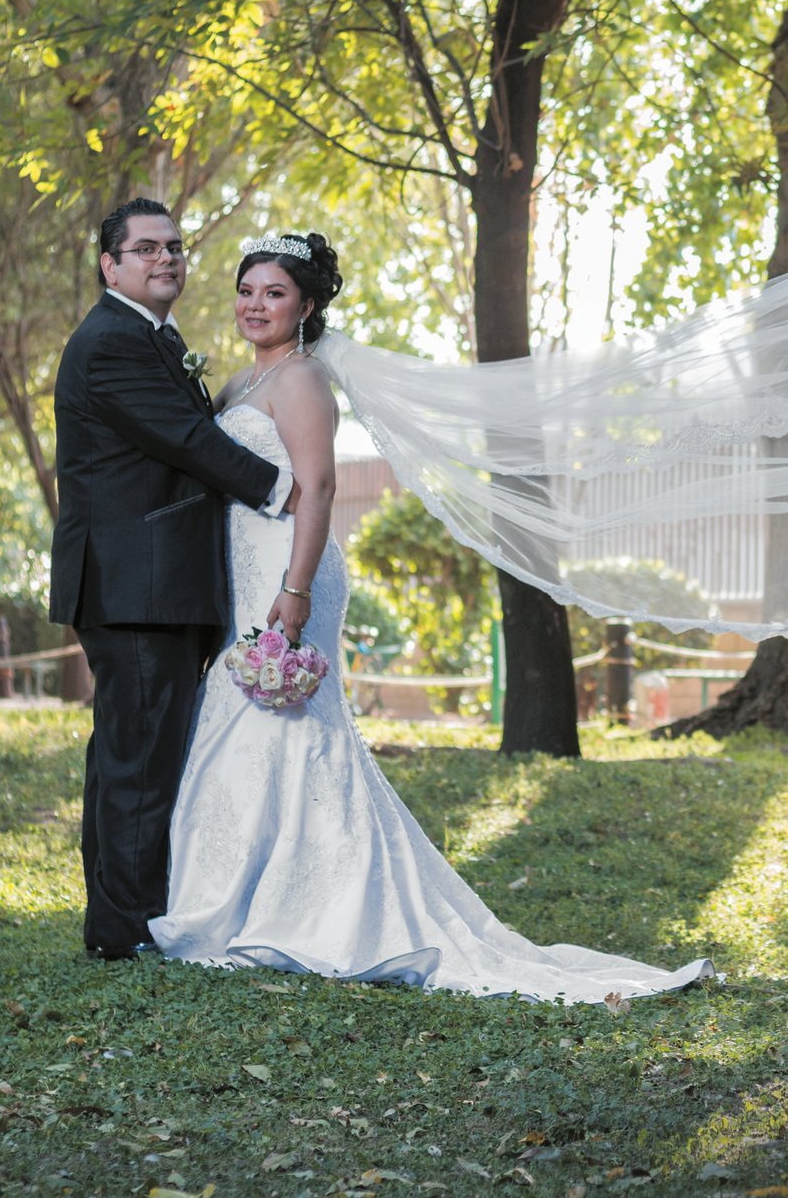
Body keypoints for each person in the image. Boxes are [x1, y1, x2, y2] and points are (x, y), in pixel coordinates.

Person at [148, 232, 715, 1003]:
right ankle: (241, 896)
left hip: (291, 567)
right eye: (247, 290)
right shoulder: (241, 385)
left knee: (292, 727)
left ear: (305, 306)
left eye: (274, 293)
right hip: (245, 569)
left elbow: (316, 489)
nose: (256, 304)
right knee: (240, 724)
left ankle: (315, 904)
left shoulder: (305, 381)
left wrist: (298, 586)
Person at [50, 198, 296, 962]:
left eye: (176, 247)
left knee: (135, 754)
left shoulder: (153, 337)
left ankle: (121, 918)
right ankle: (127, 931)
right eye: (147, 248)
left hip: (154, 584)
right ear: (110, 265)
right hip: (136, 586)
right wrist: (284, 489)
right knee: (140, 759)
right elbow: (187, 439)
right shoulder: (113, 342)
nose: (167, 259)